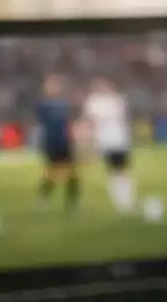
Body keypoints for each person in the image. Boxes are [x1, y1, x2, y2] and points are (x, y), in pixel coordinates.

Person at [83, 77, 136, 214]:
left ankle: (127, 199)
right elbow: (91, 123)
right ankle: (120, 201)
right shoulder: (93, 102)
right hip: (105, 141)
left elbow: (122, 118)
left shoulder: (116, 100)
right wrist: (91, 143)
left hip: (119, 140)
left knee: (123, 170)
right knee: (113, 171)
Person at [34, 74, 79, 212]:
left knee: (72, 175)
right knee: (51, 174)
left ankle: (71, 204)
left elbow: (70, 122)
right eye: (51, 85)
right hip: (51, 142)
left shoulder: (66, 104)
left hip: (65, 142)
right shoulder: (43, 104)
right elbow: (42, 122)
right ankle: (43, 199)